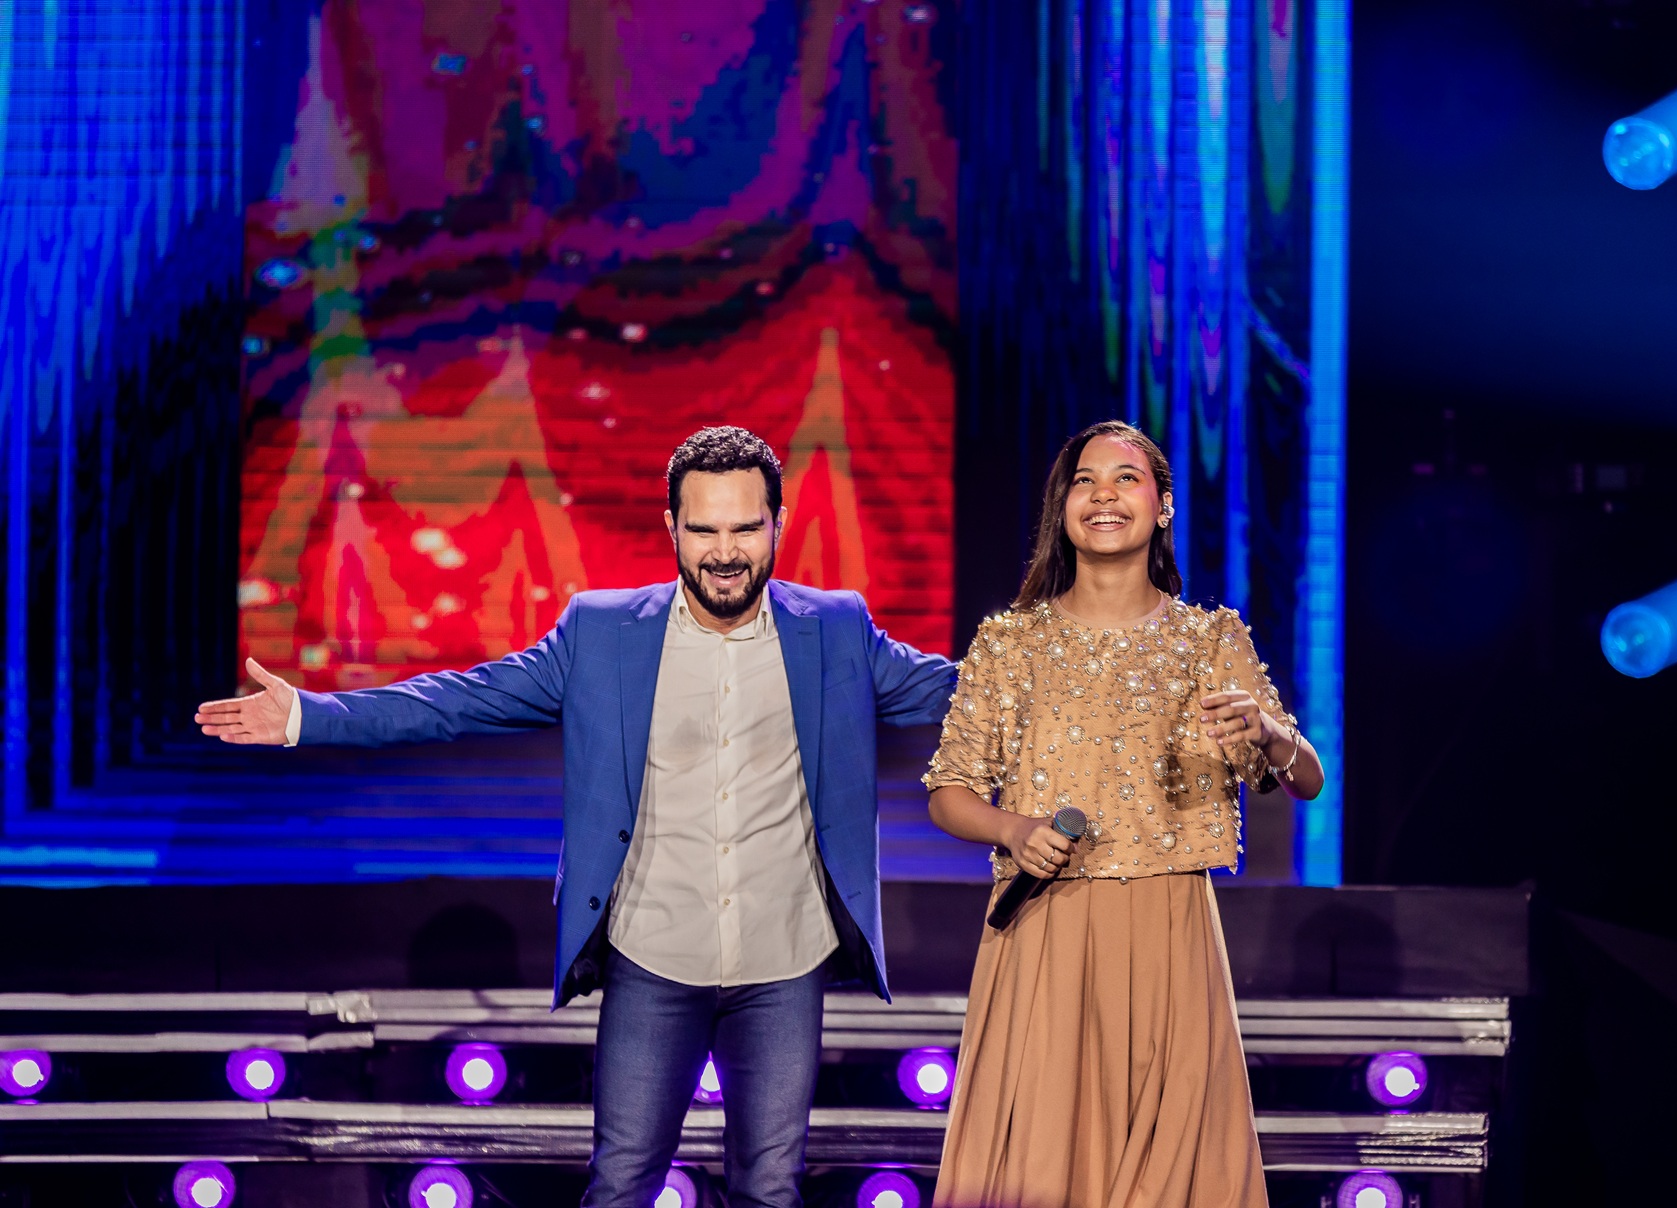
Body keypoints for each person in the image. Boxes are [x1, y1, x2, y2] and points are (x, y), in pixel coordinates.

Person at [195, 426, 958, 1208]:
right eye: (703, 529)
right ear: (671, 528)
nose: (723, 552)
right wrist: (311, 716)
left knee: (769, 1190)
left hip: (784, 960)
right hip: (653, 957)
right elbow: (461, 700)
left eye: (743, 528)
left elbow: (964, 692)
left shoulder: (834, 629)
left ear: (778, 524)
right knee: (621, 1185)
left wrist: (1082, 663)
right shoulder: (601, 633)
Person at [923, 420, 1324, 1208]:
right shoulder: (1010, 643)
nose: (1104, 494)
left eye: (1127, 479)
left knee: (1175, 1160)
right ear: (1062, 508)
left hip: (1170, 926)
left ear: (1164, 507)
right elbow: (949, 790)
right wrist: (1014, 830)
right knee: (1042, 1155)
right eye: (1084, 480)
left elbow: (1304, 779)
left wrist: (1274, 735)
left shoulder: (1210, 639)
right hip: (1047, 929)